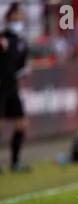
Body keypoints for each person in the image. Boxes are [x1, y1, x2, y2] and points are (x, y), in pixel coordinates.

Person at [0, 2, 30, 173]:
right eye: (14, 18)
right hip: (1, 87)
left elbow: (21, 65)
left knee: (21, 124)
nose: (17, 21)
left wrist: (24, 70)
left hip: (12, 87)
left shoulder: (22, 42)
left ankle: (15, 162)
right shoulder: (2, 38)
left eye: (19, 18)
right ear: (7, 19)